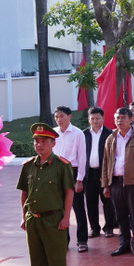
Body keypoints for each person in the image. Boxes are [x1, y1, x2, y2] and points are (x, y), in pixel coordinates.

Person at [18, 123, 75, 266]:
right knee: (37, 258)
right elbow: (24, 193)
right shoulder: (28, 166)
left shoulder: (61, 165)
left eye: (43, 142)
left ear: (53, 143)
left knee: (56, 258)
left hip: (54, 218)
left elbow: (69, 192)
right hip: (33, 219)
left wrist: (66, 217)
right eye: (36, 141)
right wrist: (23, 217)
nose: (39, 145)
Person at [102, 107, 134, 258]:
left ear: (131, 119)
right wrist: (105, 184)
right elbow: (106, 162)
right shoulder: (111, 138)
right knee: (120, 215)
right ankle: (124, 244)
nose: (119, 121)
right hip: (115, 182)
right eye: (117, 118)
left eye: (122, 118)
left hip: (133, 183)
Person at [52, 106, 86, 251]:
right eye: (56, 116)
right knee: (59, 209)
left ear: (69, 117)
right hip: (56, 172)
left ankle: (82, 240)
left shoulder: (78, 133)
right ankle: (63, 241)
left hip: (73, 171)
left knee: (78, 208)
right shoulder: (52, 133)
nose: (59, 119)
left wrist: (79, 179)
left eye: (62, 116)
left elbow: (82, 157)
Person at [83, 107, 114, 240]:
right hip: (88, 174)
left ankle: (109, 227)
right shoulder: (84, 134)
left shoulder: (110, 134)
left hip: (104, 173)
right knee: (91, 202)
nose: (95, 121)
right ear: (89, 119)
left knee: (107, 201)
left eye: (97, 118)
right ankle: (94, 227)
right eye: (92, 118)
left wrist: (108, 174)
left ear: (103, 118)